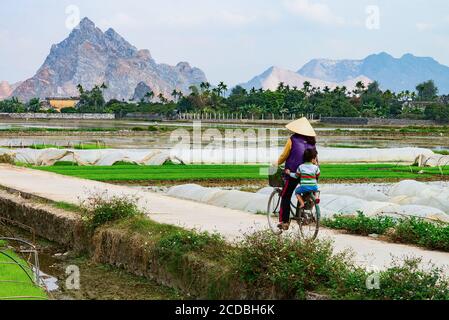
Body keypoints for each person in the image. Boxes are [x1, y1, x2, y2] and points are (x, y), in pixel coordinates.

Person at [273, 117, 317, 231]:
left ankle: (284, 222)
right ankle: (304, 213)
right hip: (311, 173)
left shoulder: (292, 139)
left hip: (294, 172)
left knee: (286, 195)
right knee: (306, 191)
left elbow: (284, 155)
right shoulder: (312, 142)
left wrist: (275, 164)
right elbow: (315, 158)